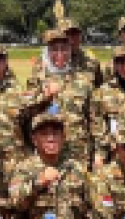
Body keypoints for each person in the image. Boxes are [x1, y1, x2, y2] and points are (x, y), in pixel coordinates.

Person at [25, 29, 94, 169]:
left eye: (64, 49)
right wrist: (45, 97)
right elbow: (26, 113)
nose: (60, 54)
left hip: (78, 152)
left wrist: (99, 153)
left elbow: (94, 119)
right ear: (47, 52)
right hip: (47, 152)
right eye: (54, 50)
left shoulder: (83, 80)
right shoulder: (36, 79)